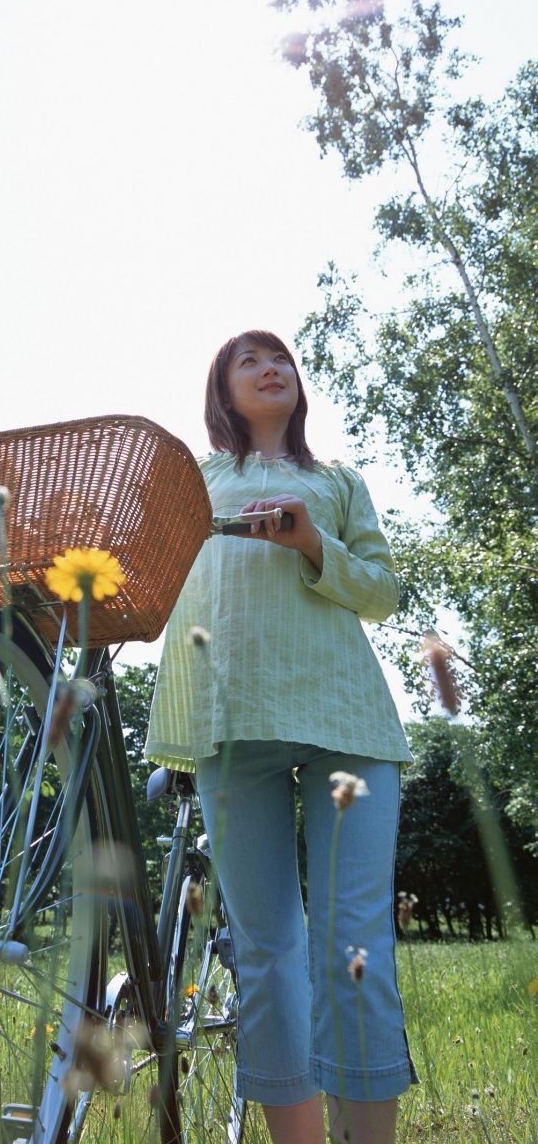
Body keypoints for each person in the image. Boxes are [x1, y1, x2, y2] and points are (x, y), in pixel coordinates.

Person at [144, 330, 417, 1144]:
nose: (272, 370)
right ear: (222, 391)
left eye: (282, 359)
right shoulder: (196, 480)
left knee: (355, 944)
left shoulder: (336, 481)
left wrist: (310, 541)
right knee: (264, 952)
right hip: (232, 725)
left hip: (346, 721)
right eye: (249, 361)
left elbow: (384, 592)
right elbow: (152, 571)